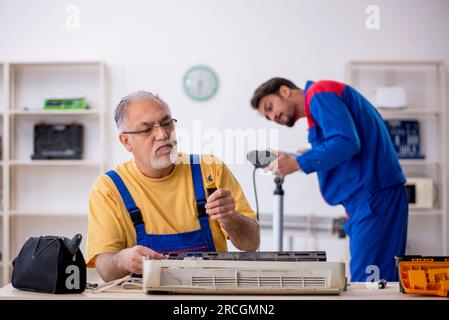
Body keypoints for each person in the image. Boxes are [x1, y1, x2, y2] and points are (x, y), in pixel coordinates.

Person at [87, 91, 259, 281]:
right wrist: (122, 260)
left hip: (211, 293)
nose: (162, 135)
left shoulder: (209, 170)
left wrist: (230, 217)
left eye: (167, 123)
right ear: (126, 141)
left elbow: (251, 243)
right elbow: (105, 270)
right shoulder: (109, 188)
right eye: (146, 130)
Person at [250, 78, 408, 282]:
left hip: (373, 197)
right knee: (380, 277)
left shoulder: (319, 92)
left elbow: (346, 143)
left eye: (270, 107)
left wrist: (298, 163)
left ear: (285, 91)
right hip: (366, 200)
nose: (274, 117)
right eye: (269, 117)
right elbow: (345, 147)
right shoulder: (319, 105)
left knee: (369, 281)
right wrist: (302, 157)